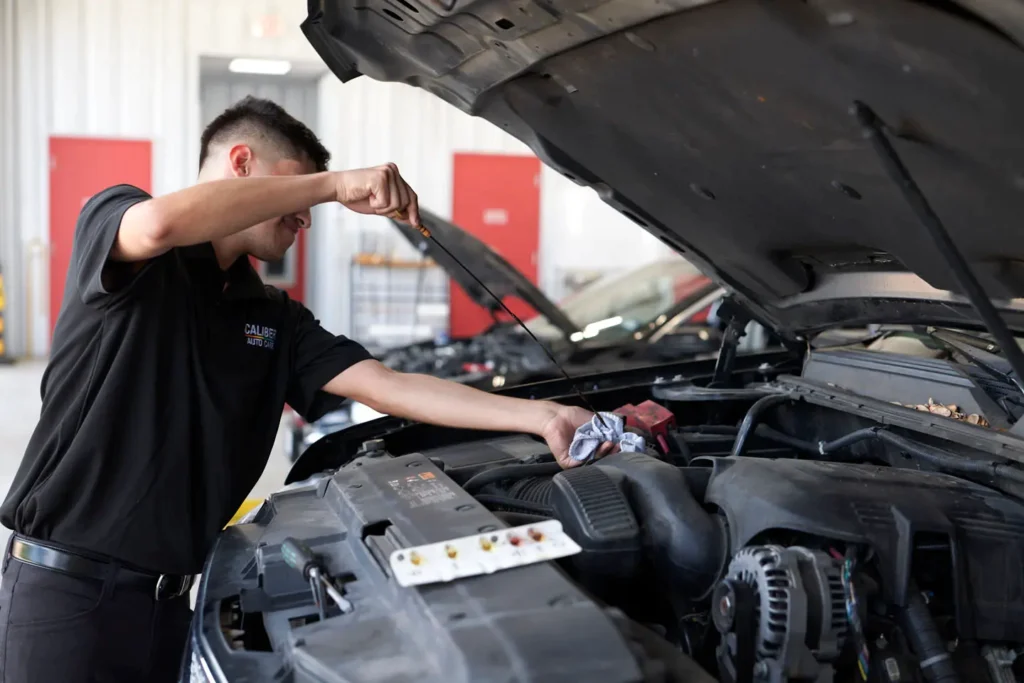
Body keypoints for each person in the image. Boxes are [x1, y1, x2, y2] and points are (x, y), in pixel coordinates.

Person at [0, 96, 609, 682]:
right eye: (298, 188)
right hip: (68, 600)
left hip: (175, 607)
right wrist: (337, 183)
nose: (305, 216)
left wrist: (543, 416)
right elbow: (158, 225)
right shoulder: (124, 229)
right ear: (242, 165)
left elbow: (388, 386)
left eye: (315, 196)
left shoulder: (273, 317)